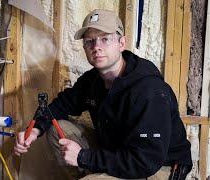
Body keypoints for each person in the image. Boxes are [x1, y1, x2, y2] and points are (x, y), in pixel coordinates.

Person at [14, 9, 192, 179]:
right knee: (56, 130)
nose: (96, 47)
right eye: (90, 41)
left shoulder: (149, 92)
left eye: (105, 39)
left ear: (121, 43)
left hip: (159, 167)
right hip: (118, 150)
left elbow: (145, 161)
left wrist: (84, 157)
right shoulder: (93, 80)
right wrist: (35, 129)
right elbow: (60, 105)